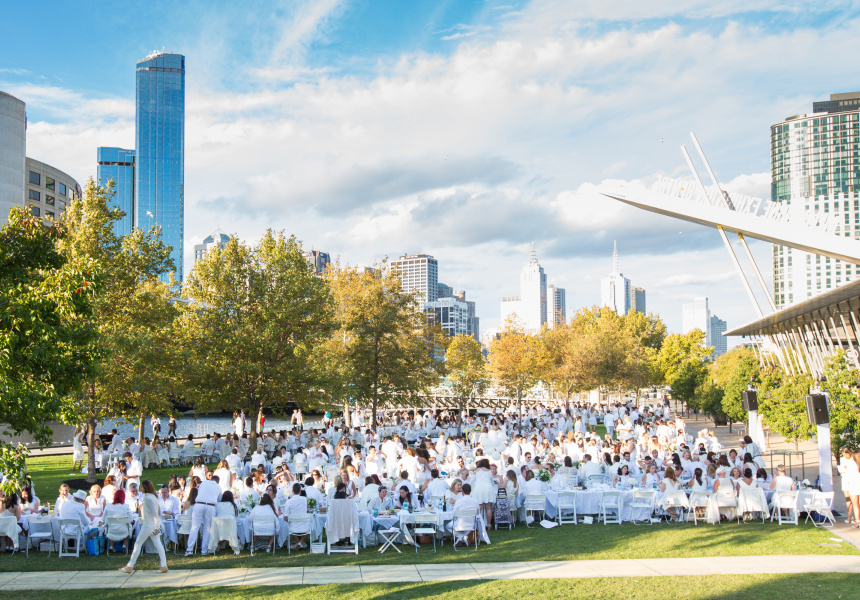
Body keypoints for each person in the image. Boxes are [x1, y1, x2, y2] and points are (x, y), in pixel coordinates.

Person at [119, 481, 167, 573]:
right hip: (150, 525)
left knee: (138, 544)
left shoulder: (149, 498)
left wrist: (157, 526)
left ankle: (130, 565)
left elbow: (155, 514)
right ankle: (163, 565)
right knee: (158, 545)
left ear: (146, 488)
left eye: (142, 487)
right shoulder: (151, 497)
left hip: (148, 526)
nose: (141, 488)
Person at [185, 475, 222, 556]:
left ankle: (189, 549)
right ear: (217, 481)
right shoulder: (218, 486)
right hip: (210, 506)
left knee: (194, 527)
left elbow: (199, 493)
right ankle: (204, 550)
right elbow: (219, 499)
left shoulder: (203, 483)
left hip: (199, 504)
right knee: (207, 528)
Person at [284, 483, 310, 550]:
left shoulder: (288, 502)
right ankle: (300, 543)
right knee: (310, 526)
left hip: (294, 526)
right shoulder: (304, 499)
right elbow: (307, 509)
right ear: (300, 491)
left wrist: (290, 521)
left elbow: (285, 517)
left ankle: (299, 543)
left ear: (292, 490)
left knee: (292, 528)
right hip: (304, 526)